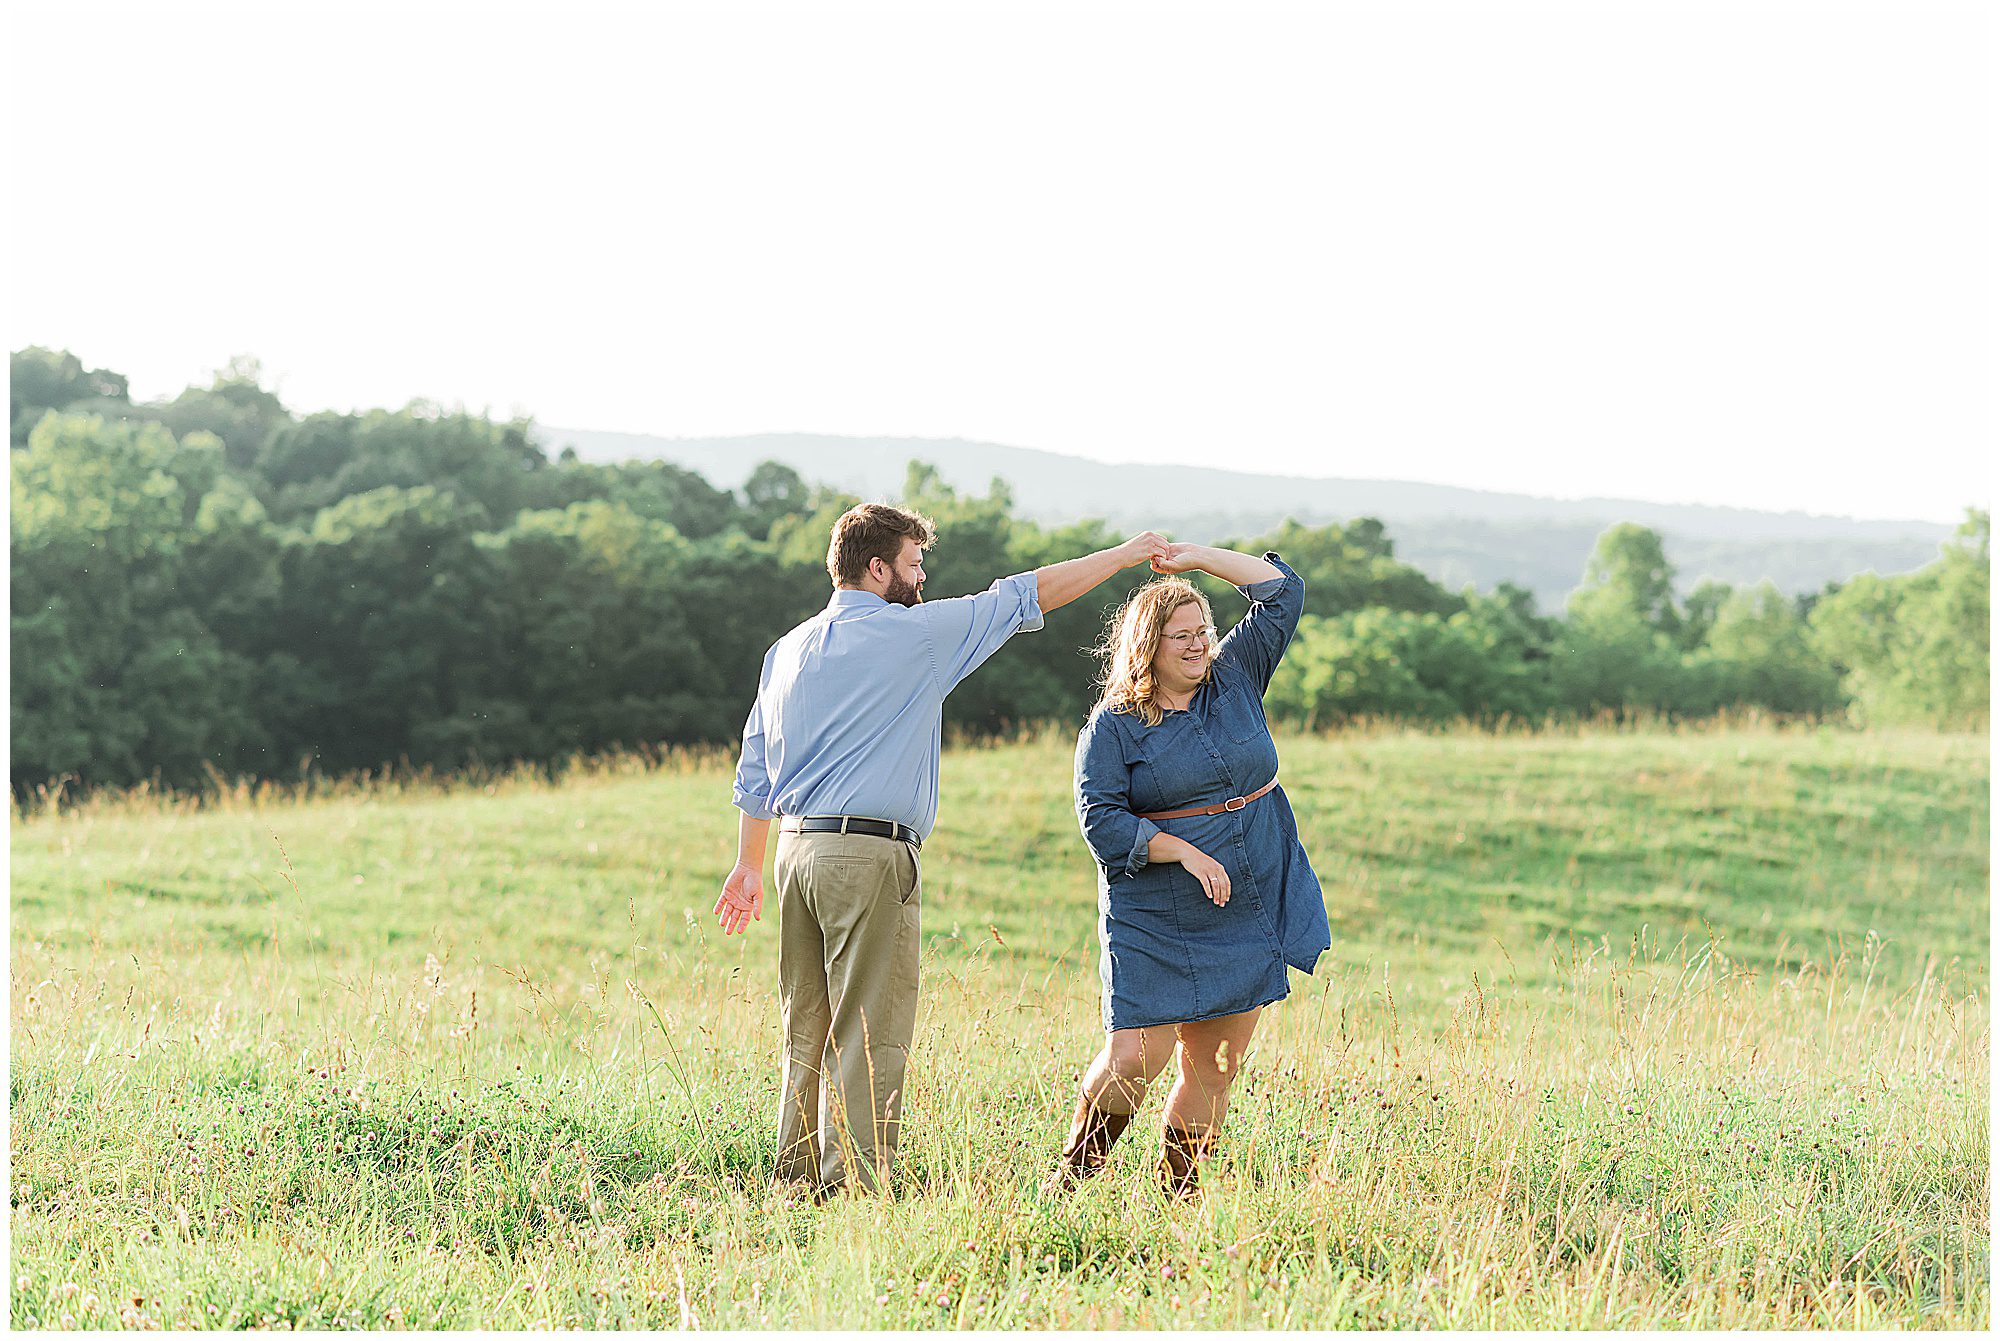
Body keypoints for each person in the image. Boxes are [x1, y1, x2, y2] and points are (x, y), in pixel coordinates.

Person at [717, 502, 1169, 1197]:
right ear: (877, 567)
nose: (922, 576)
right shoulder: (916, 634)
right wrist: (1120, 554)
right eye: (913, 563)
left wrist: (748, 863)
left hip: (794, 853)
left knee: (805, 1030)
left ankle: (795, 1185)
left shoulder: (787, 649)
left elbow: (755, 769)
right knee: (871, 1031)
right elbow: (1025, 594)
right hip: (868, 856)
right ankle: (855, 1196)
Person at [1050, 541, 1330, 1197]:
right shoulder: (1114, 724)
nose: (1199, 644)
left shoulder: (1234, 675)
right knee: (1135, 1056)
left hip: (1245, 895)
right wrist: (1181, 849)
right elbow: (1101, 819)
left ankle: (1180, 1200)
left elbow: (1284, 591)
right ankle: (1071, 1185)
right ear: (1147, 646)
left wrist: (1198, 559)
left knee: (1217, 1063)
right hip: (1154, 909)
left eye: (1203, 630)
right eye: (1182, 636)